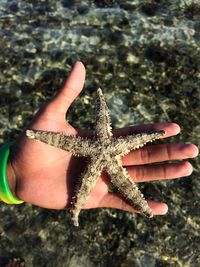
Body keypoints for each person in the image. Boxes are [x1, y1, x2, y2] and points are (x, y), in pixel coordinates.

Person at [0, 61, 198, 267]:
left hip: (98, 155)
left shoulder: (100, 143)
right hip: (103, 155)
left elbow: (124, 138)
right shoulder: (100, 143)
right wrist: (16, 165)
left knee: (118, 183)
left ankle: (125, 208)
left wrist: (12, 173)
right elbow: (73, 140)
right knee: (114, 183)